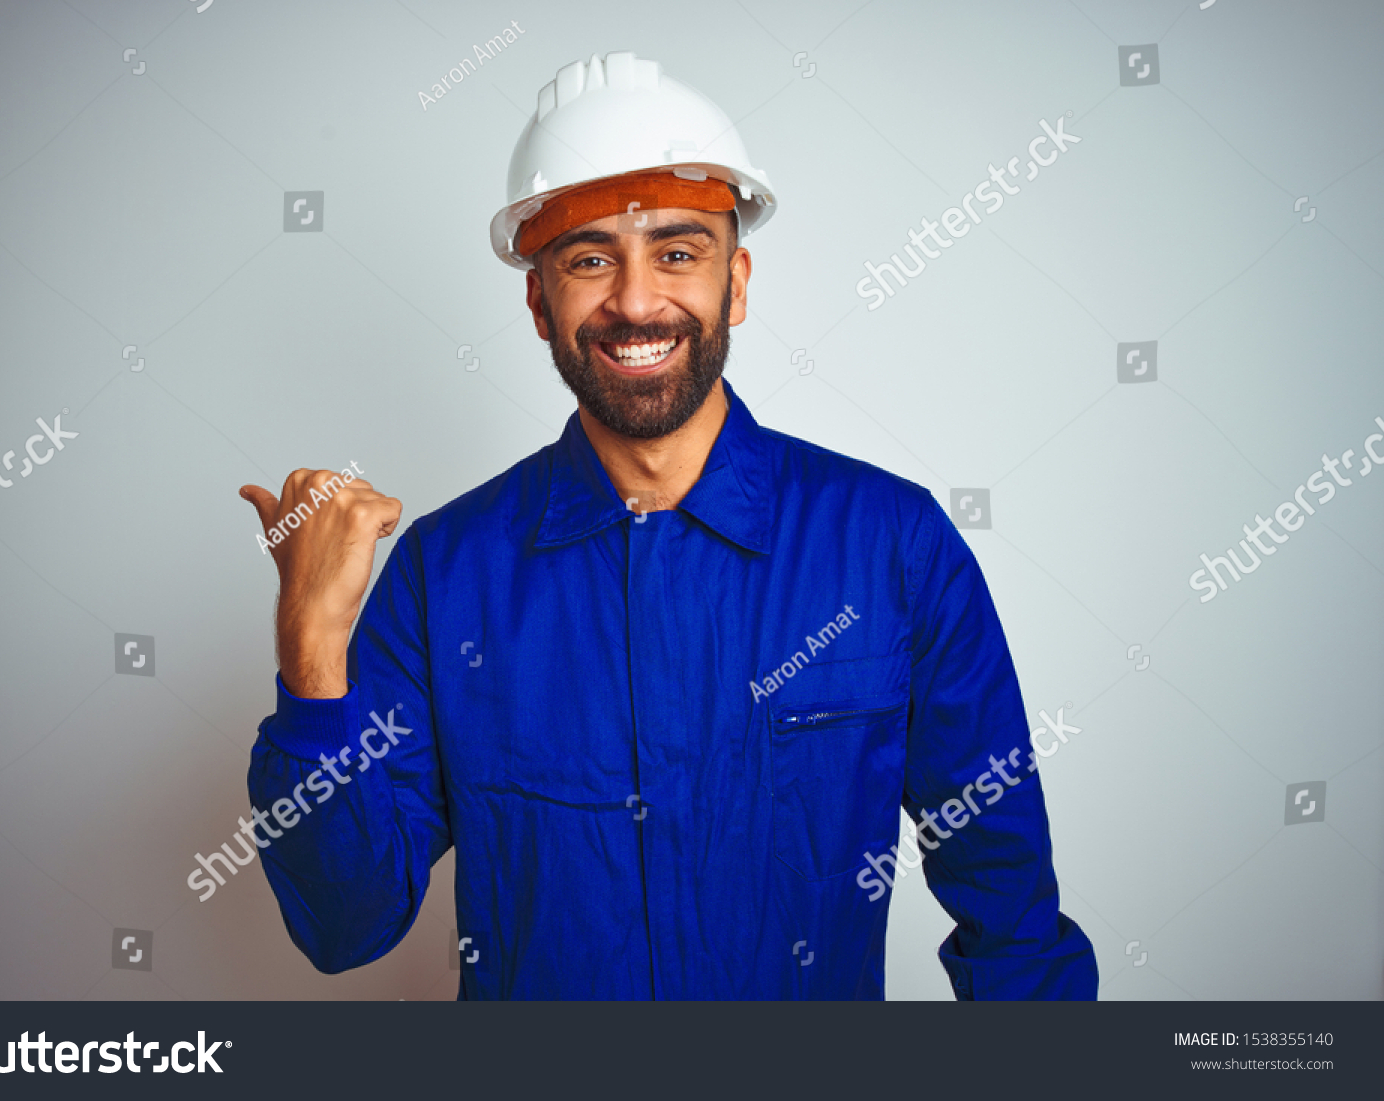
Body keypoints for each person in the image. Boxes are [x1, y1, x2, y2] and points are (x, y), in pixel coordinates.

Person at [238, 51, 1097, 1000]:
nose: (637, 301)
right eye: (590, 258)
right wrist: (311, 656)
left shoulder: (893, 546)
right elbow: (346, 923)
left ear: (735, 281)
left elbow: (1011, 917)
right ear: (538, 301)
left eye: (678, 252)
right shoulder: (445, 576)